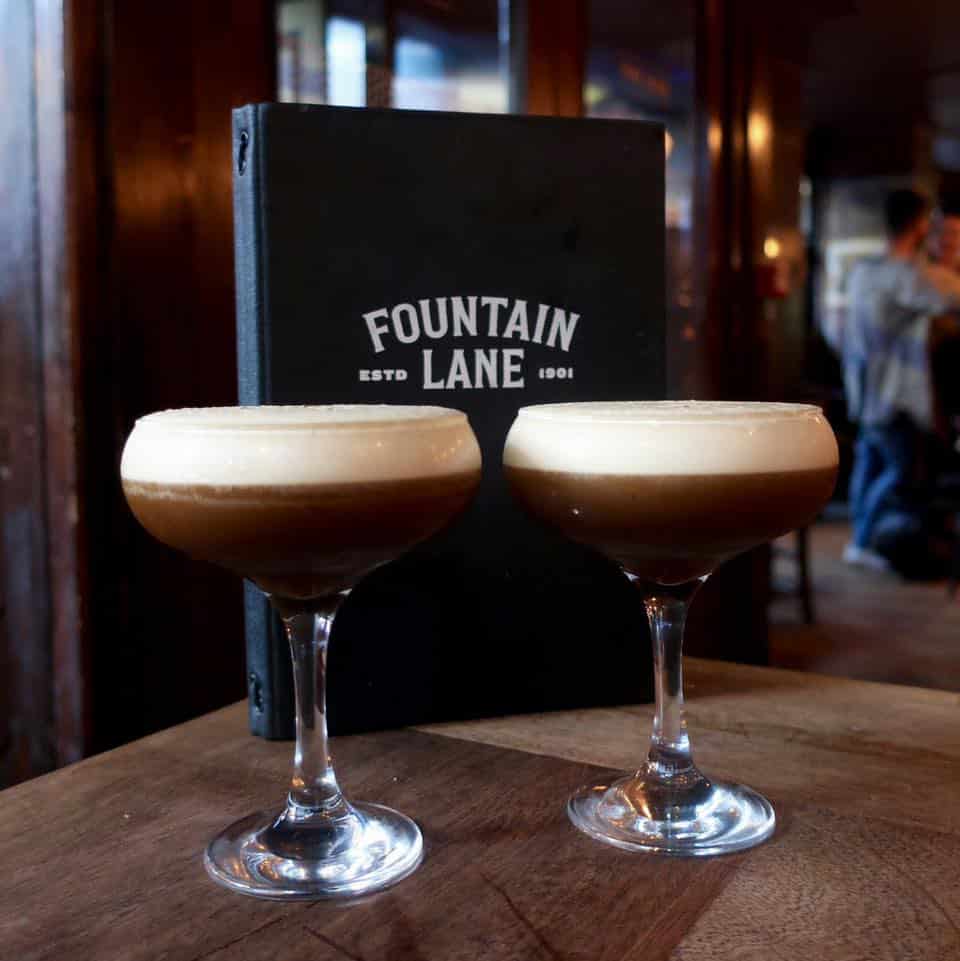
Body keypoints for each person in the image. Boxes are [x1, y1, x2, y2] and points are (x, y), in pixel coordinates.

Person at [842, 189, 960, 573]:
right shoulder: (905, 275)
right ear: (920, 224)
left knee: (870, 463)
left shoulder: (865, 271)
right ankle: (863, 540)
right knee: (900, 470)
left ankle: (859, 539)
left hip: (863, 388)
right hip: (892, 392)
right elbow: (950, 297)